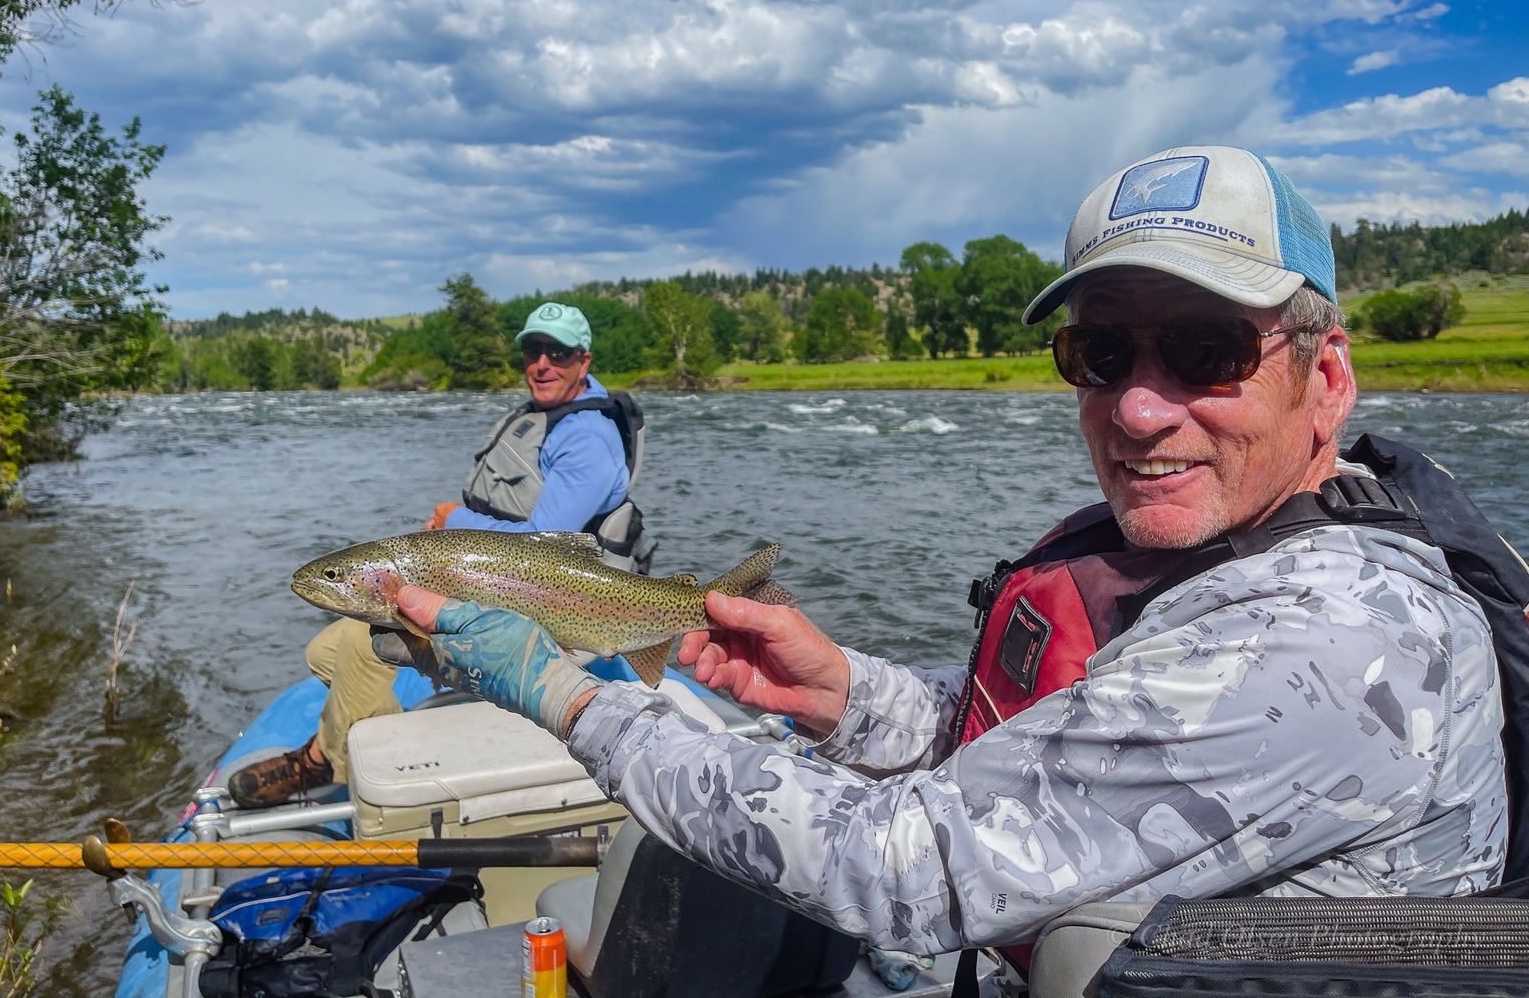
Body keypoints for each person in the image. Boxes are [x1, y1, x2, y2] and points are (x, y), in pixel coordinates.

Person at [373, 148, 1512, 965]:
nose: (1143, 408)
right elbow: (1051, 760)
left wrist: (566, 697)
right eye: (1102, 352)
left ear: (1326, 380)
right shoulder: (1241, 554)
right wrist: (843, 697)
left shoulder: (1325, 637)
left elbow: (901, 871)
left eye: (1210, 351)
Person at [229, 301, 650, 808]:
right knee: (323, 650)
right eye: (532, 350)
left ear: (583, 360)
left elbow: (544, 537)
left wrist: (455, 520)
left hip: (563, 604)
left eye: (556, 353)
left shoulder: (586, 438)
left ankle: (326, 762)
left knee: (365, 649)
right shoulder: (544, 415)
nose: (541, 364)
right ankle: (368, 735)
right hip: (497, 584)